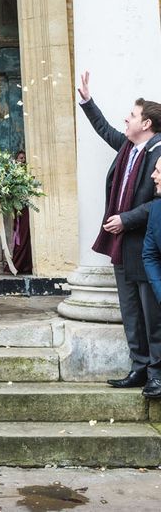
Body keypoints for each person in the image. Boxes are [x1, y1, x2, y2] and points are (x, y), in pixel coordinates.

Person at [79, 71, 161, 398]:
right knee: (130, 311)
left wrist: (126, 220)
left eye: (133, 115)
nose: (127, 118)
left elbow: (158, 201)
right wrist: (87, 101)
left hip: (144, 244)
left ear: (147, 124)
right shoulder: (129, 147)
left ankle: (157, 375)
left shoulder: (158, 153)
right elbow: (104, 130)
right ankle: (139, 368)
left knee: (151, 315)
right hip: (122, 246)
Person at [141, 157, 161, 400]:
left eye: (157, 171)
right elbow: (149, 253)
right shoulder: (156, 209)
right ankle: (157, 376)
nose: (152, 176)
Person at [8, 150, 33, 274]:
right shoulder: (13, 175)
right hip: (18, 208)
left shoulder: (29, 173)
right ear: (16, 160)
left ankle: (27, 264)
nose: (22, 160)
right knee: (20, 235)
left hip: (27, 207)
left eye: (24, 158)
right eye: (20, 158)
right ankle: (18, 263)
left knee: (27, 234)